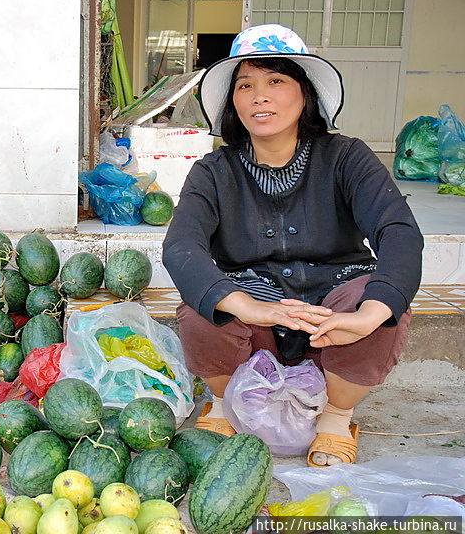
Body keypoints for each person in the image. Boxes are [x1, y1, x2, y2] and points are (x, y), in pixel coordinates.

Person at [162, 24, 422, 467]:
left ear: (305, 95)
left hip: (331, 316)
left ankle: (337, 417)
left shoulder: (347, 157)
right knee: (200, 306)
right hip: (257, 320)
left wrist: (368, 316)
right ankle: (225, 403)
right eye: (245, 85)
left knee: (380, 304)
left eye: (276, 81)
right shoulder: (213, 170)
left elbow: (398, 232)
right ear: (234, 103)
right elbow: (181, 246)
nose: (259, 96)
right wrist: (245, 305)